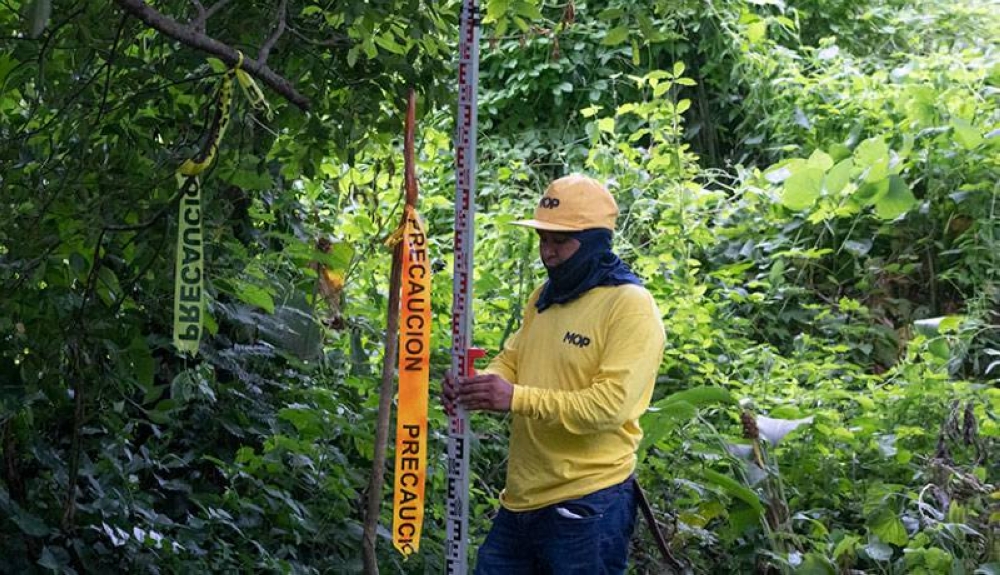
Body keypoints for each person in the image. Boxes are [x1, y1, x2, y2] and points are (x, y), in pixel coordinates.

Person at [443, 174, 666, 575]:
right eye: (544, 239)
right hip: (520, 502)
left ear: (596, 241)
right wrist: (480, 387)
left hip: (588, 503)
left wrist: (514, 398)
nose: (549, 252)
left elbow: (609, 407)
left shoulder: (629, 306)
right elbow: (512, 359)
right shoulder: (545, 297)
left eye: (561, 241)